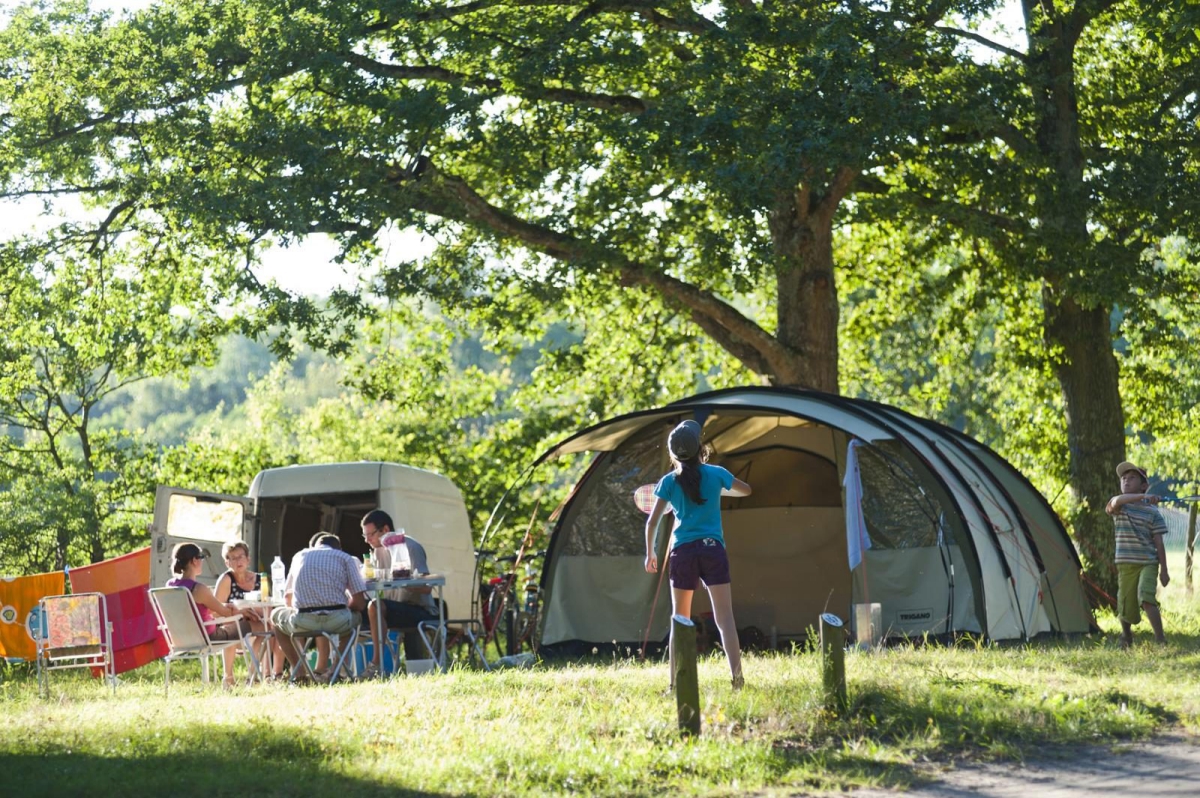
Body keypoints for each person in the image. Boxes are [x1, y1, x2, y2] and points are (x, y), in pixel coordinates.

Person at [644, 419, 752, 690]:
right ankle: (737, 680)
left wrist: (650, 554)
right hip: (713, 549)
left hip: (682, 552)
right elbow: (746, 490)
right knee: (725, 618)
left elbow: (652, 523)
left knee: (680, 620)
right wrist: (721, 487)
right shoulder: (716, 474)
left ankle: (674, 685)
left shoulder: (668, 482)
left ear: (673, 454)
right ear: (700, 447)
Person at [269, 533, 368, 682]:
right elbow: (360, 603)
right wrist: (343, 608)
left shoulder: (300, 556)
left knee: (275, 618)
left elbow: (288, 599)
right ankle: (335, 671)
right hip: (337, 621)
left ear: (313, 547)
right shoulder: (344, 557)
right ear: (338, 548)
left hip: (303, 621)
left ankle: (300, 672)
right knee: (353, 619)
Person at [359, 509, 438, 678]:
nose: (367, 540)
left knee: (375, 606)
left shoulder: (410, 546)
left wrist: (404, 582)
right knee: (358, 610)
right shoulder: (377, 552)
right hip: (393, 608)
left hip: (418, 609)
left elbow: (426, 587)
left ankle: (376, 664)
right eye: (364, 536)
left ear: (386, 530)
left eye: (370, 535)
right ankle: (339, 668)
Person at [166, 542, 257, 687]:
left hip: (179, 638)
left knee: (236, 621)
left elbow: (196, 609)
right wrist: (240, 612)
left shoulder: (170, 586)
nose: (202, 561)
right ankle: (253, 677)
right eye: (201, 557)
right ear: (195, 561)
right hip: (208, 637)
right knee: (254, 624)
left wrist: (223, 607)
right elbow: (225, 613)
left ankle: (235, 678)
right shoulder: (199, 589)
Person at [1106, 461, 1170, 647]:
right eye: (1123, 478)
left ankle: (1160, 639)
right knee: (1124, 604)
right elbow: (1115, 502)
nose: (1126, 481)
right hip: (1125, 564)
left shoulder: (1153, 513)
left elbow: (1159, 542)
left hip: (1148, 563)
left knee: (1146, 597)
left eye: (1132, 478)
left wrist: (1164, 570)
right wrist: (1141, 497)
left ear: (1143, 485)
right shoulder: (1119, 506)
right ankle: (1126, 637)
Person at [213, 539, 280, 680]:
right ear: (227, 563)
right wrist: (239, 611)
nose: (238, 561)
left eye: (241, 556)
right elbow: (214, 610)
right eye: (233, 558)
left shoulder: (260, 579)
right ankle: (229, 676)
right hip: (232, 626)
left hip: (255, 622)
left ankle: (258, 674)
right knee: (232, 625)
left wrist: (254, 611)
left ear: (248, 559)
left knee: (270, 628)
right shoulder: (226, 580)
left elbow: (267, 605)